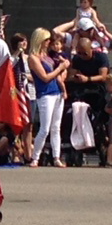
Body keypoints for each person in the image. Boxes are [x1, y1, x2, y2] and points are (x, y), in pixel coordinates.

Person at [27, 28, 69, 168]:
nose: (48, 42)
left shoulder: (47, 55)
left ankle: (56, 156)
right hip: (45, 93)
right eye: (46, 40)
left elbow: (56, 73)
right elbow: (44, 77)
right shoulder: (33, 58)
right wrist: (60, 68)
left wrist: (62, 68)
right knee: (45, 128)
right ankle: (35, 157)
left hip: (56, 92)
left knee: (56, 127)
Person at [10, 33, 34, 163]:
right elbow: (8, 68)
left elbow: (36, 75)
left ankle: (28, 154)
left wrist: (27, 77)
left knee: (28, 125)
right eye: (21, 41)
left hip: (30, 93)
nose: (24, 43)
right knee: (16, 125)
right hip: (16, 94)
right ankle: (15, 154)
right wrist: (16, 53)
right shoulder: (12, 58)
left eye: (25, 40)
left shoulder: (29, 58)